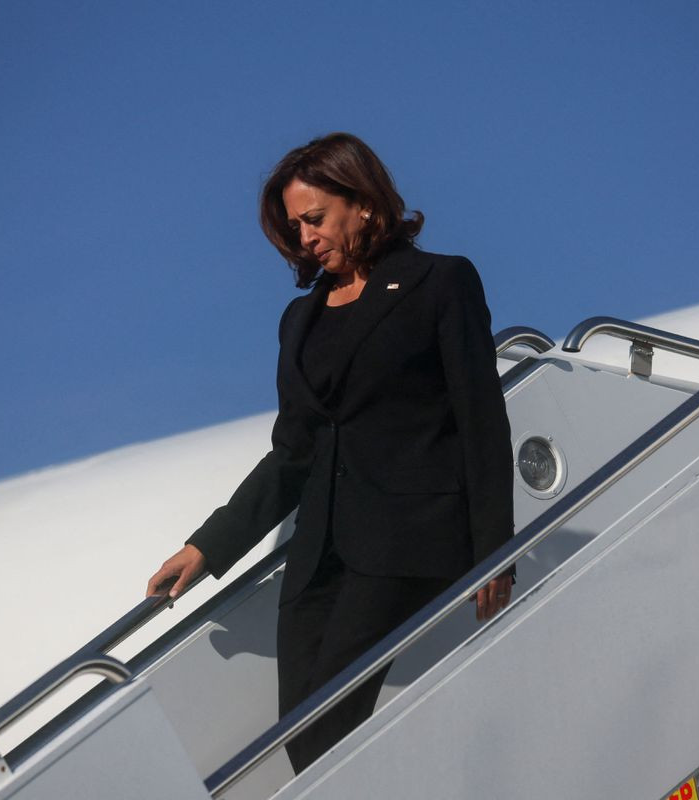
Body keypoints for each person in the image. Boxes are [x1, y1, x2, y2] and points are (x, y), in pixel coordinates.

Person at [145, 132, 514, 772]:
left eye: (314, 218)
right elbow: (293, 451)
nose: (305, 237)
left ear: (364, 203)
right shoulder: (301, 320)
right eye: (294, 227)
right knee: (304, 741)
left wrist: (496, 554)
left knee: (328, 722)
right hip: (320, 555)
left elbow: (481, 421)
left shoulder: (440, 282)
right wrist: (207, 547)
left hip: (406, 540)